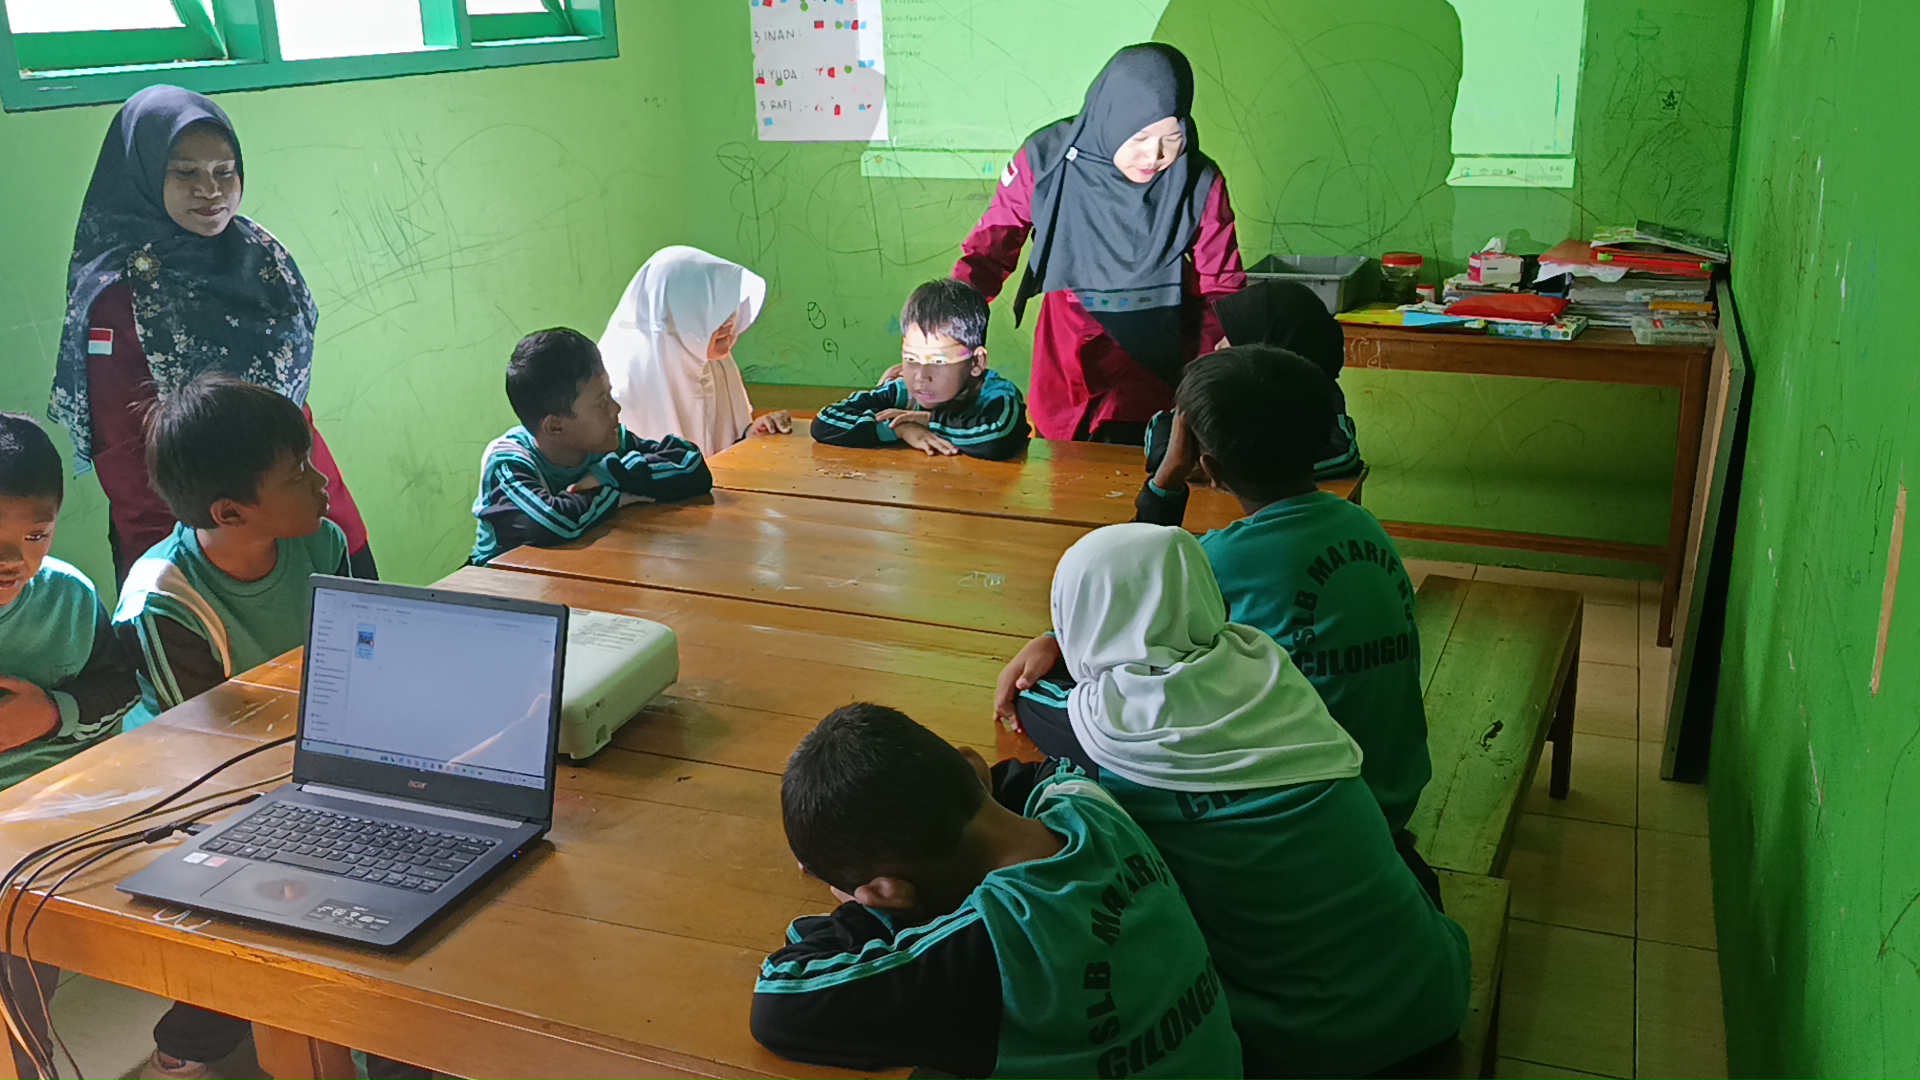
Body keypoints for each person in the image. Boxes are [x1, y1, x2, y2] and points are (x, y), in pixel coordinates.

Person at [1006, 524, 1471, 1080]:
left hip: (1314, 1044)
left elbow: (1033, 701)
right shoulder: (1264, 665)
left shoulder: (1109, 734)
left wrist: (1052, 644)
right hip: (1432, 990)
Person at [106, 378, 425, 1080]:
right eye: (297, 473)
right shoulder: (163, 600)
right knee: (294, 903)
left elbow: (361, 669)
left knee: (409, 877)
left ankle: (395, 1048)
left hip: (300, 757)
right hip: (194, 793)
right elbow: (211, 755)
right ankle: (196, 1037)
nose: (321, 483)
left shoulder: (321, 544)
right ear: (231, 511)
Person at [998, 346, 1432, 848]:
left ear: (1207, 465)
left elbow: (1130, 575)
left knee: (1048, 703)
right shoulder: (1364, 524)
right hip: (1391, 793)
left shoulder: (1227, 557)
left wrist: (1167, 475)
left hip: (1299, 808)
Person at [751, 703, 1243, 1079]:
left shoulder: (997, 942)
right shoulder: (1086, 800)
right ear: (972, 767)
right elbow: (1023, 779)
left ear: (890, 893)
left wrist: (867, 909)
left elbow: (781, 1003)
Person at [46, 85, 374, 583]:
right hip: (206, 541)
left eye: (225, 171)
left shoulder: (262, 256)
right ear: (144, 172)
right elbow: (128, 453)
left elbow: (292, 401)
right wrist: (182, 563)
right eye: (185, 173)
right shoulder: (122, 292)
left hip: (311, 506)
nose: (211, 190)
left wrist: (309, 490)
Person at [952, 44, 1246, 444]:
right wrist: (949, 325)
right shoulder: (1047, 161)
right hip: (1068, 360)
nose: (1155, 155)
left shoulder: (1198, 181)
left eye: (1172, 137)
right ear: (1112, 119)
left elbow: (1223, 286)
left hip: (1160, 367)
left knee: (1146, 468)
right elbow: (989, 251)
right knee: (1064, 471)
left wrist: (1212, 373)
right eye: (1139, 136)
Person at [471, 328, 713, 567]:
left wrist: (609, 475)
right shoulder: (507, 463)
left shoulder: (607, 446)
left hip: (571, 576)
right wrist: (622, 493)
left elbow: (690, 465)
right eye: (601, 402)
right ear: (556, 426)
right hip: (500, 587)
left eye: (610, 394)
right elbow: (553, 523)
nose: (616, 409)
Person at [0, 414, 137, 789]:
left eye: (36, 536)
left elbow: (123, 685)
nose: (11, 559)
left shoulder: (71, 597)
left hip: (78, 792)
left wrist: (53, 713)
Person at [1148, 280, 1363, 480]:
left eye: (1236, 335)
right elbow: (1162, 434)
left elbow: (1344, 454)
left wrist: (1230, 471)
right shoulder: (1221, 389)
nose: (1219, 345)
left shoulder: (1318, 396)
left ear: (1269, 347)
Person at [597, 245, 792, 457]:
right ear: (676, 311)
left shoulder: (716, 362)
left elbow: (725, 445)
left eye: (729, 307)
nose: (730, 321)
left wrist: (753, 434)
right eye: (712, 307)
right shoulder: (623, 381)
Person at [810, 279, 1031, 460]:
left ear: (976, 362)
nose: (921, 376)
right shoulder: (903, 392)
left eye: (938, 361)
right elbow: (826, 422)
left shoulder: (998, 394)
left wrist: (928, 421)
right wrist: (901, 429)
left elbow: (996, 438)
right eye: (912, 359)